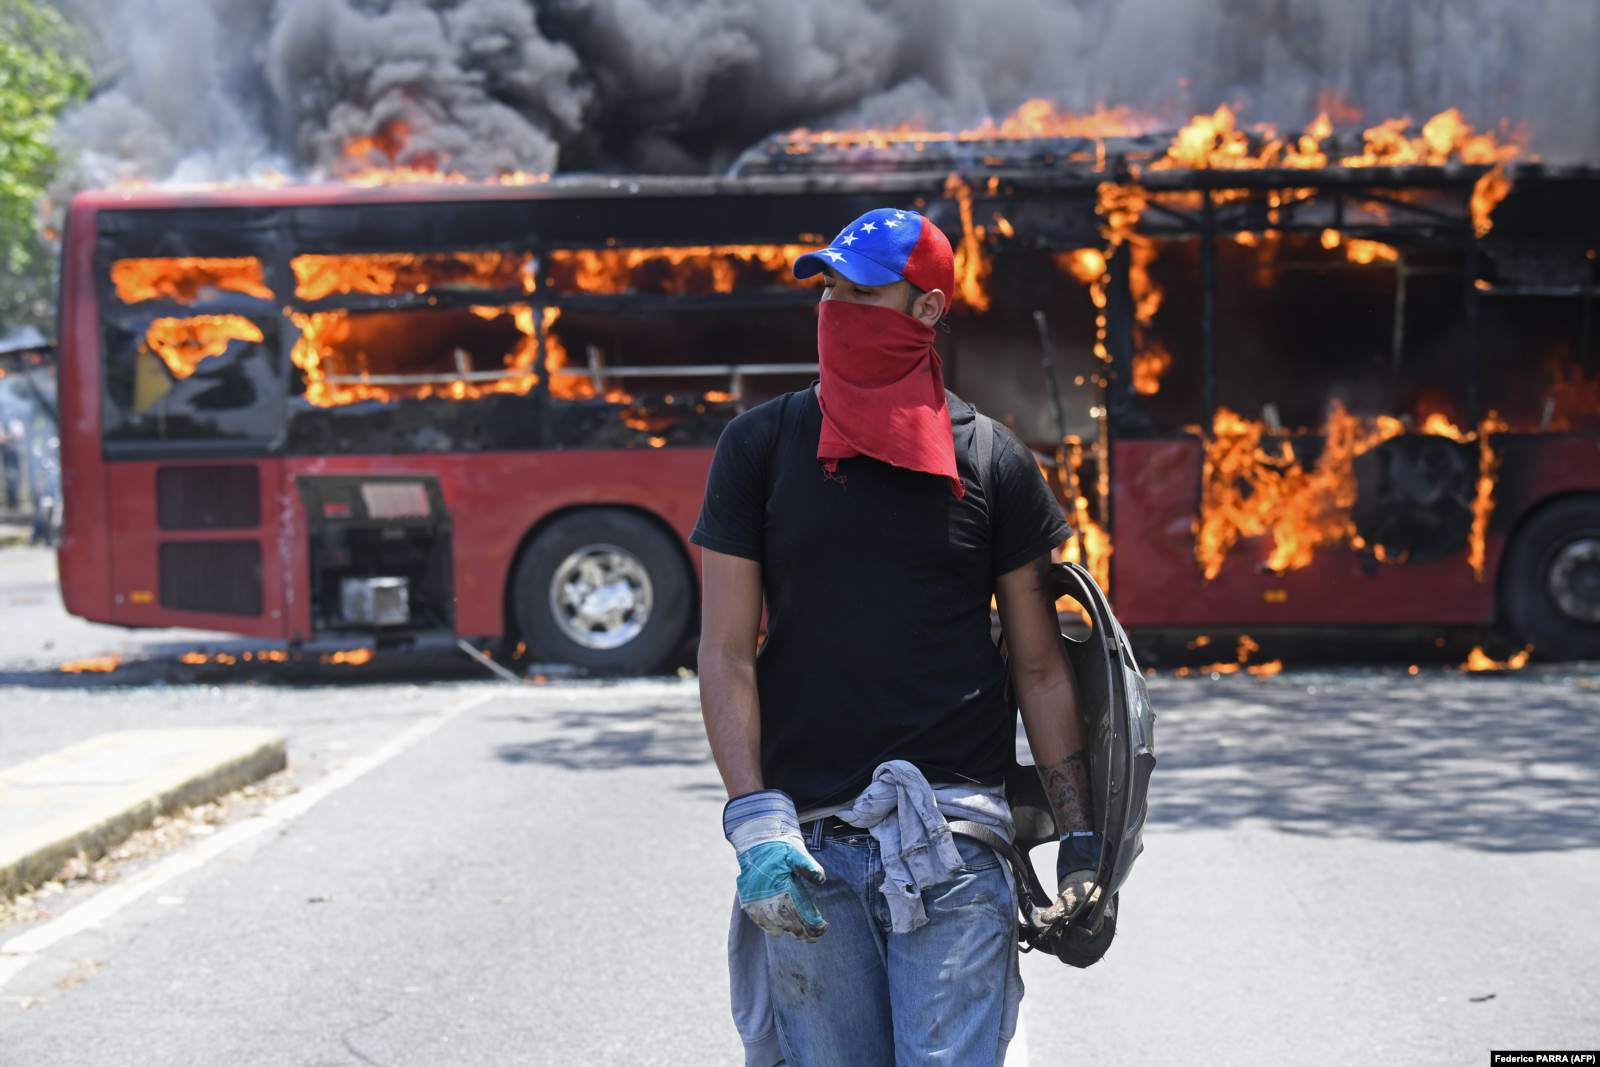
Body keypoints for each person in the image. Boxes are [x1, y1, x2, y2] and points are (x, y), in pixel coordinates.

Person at [692, 207, 1101, 1066]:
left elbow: (1040, 665)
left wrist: (1080, 838)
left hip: (954, 843)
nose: (836, 309)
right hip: (806, 848)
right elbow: (726, 651)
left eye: (861, 293)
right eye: (828, 290)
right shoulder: (759, 446)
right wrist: (755, 821)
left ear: (927, 308)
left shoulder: (993, 461)